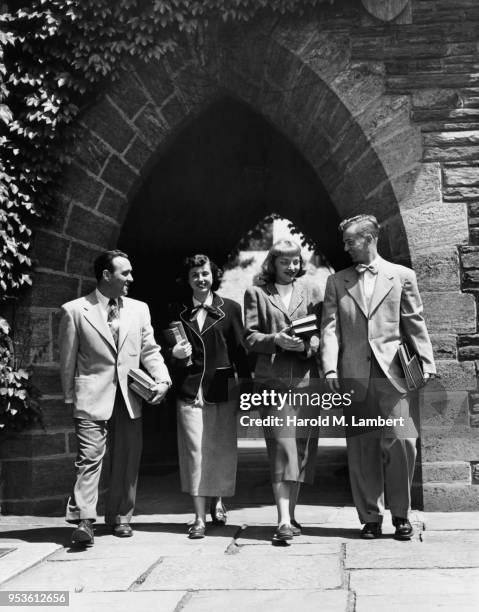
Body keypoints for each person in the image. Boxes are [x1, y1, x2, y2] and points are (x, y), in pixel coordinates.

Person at [321, 214, 436, 540]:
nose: (345, 247)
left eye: (350, 241)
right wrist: (330, 367)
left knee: (402, 444)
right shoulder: (337, 281)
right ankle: (370, 517)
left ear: (370, 239)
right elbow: (329, 330)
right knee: (362, 448)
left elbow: (414, 322)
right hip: (354, 376)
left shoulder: (402, 276)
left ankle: (401, 515)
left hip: (395, 376)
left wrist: (427, 362)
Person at [59, 249, 171, 547]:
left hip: (130, 394)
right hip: (92, 395)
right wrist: (70, 398)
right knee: (89, 458)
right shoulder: (74, 310)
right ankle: (84, 520)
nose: (131, 278)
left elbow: (150, 349)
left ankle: (122, 517)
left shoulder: (139, 309)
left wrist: (162, 379)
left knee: (127, 456)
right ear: (106, 275)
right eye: (125, 273)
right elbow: (67, 359)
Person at [244, 240, 322, 543]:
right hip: (273, 382)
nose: (291, 267)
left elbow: (322, 331)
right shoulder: (257, 293)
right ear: (272, 263)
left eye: (295, 261)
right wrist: (276, 340)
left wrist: (306, 345)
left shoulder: (312, 291)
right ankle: (283, 520)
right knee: (281, 448)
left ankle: (291, 512)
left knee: (301, 449)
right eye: (284, 262)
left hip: (305, 380)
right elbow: (250, 337)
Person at [168, 254, 250, 539]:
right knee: (195, 453)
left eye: (204, 274)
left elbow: (241, 354)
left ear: (213, 275)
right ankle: (199, 518)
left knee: (220, 449)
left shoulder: (231, 309)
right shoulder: (176, 311)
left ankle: (217, 499)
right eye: (194, 275)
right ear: (188, 279)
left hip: (222, 389)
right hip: (189, 391)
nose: (200, 279)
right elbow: (163, 354)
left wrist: (247, 393)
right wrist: (174, 356)